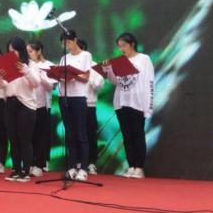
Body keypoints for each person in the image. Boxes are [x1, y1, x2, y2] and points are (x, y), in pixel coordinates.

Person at [102, 33, 154, 179]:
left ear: (132, 44)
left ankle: (139, 167)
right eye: (119, 46)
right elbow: (116, 82)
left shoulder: (144, 59)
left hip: (137, 103)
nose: (121, 49)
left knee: (138, 135)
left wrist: (148, 106)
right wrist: (109, 71)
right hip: (121, 102)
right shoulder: (120, 61)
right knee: (127, 136)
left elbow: (150, 82)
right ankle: (131, 166)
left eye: (123, 45)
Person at [0, 37, 41, 183]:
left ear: (21, 50)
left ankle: (25, 171)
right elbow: (2, 86)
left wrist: (26, 71)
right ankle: (15, 169)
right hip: (10, 102)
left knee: (25, 139)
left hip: (26, 105)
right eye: (9, 51)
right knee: (13, 139)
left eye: (14, 50)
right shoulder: (7, 65)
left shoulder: (31, 64)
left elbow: (36, 83)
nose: (12, 53)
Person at [61, 30, 92, 181]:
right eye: (63, 43)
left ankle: (83, 168)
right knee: (70, 134)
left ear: (75, 40)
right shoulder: (64, 58)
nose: (66, 45)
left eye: (68, 42)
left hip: (79, 96)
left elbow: (86, 77)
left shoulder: (85, 55)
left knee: (81, 133)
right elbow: (61, 76)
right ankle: (72, 166)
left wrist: (72, 74)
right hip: (64, 96)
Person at [27, 40, 57, 177]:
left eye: (31, 51)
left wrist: (39, 74)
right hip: (29, 104)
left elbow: (51, 86)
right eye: (27, 52)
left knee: (41, 135)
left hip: (43, 105)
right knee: (30, 135)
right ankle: (30, 162)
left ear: (39, 51)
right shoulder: (27, 65)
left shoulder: (48, 65)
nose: (28, 54)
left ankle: (40, 163)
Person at [77, 39, 104, 175]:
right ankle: (77, 161)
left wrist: (88, 78)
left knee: (90, 134)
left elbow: (100, 84)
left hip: (89, 104)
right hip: (74, 104)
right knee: (75, 133)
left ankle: (91, 162)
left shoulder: (94, 66)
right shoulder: (70, 64)